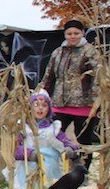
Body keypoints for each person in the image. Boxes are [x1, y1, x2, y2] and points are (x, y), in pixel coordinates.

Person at [39, 19, 99, 147]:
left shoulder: (91, 52)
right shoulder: (58, 52)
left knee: (83, 141)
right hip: (59, 103)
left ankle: (82, 166)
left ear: (82, 33)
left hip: (83, 105)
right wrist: (42, 94)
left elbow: (97, 78)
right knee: (53, 137)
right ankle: (57, 165)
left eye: (76, 33)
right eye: (69, 33)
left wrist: (95, 103)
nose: (73, 36)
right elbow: (49, 76)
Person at [12, 90, 79, 189]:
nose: (40, 108)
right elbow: (15, 148)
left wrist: (69, 148)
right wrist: (30, 154)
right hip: (29, 168)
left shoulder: (53, 128)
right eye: (36, 105)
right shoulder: (24, 128)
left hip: (50, 170)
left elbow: (65, 141)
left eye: (44, 105)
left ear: (49, 109)